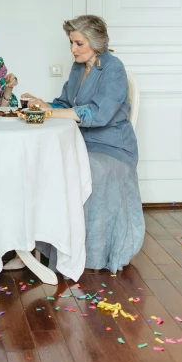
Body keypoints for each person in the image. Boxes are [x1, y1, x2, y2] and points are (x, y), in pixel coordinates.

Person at [23, 14, 145, 274]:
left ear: (95, 42)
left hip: (112, 148)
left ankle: (87, 254)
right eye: (71, 43)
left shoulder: (114, 69)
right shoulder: (78, 66)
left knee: (85, 170)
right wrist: (43, 105)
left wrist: (50, 113)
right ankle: (47, 246)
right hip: (79, 141)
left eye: (78, 43)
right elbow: (66, 104)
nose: (73, 49)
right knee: (46, 164)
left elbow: (98, 114)